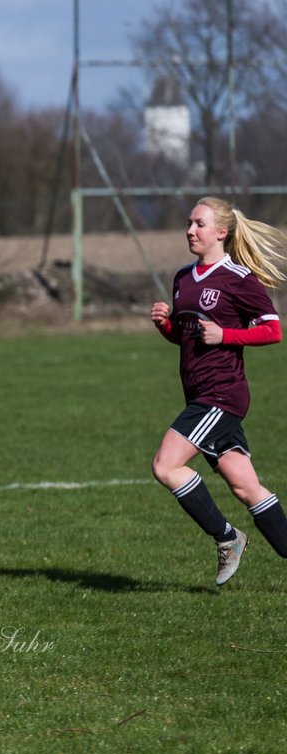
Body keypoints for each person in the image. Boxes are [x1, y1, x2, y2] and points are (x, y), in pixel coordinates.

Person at [150, 196, 287, 586]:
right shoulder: (182, 278)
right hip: (199, 394)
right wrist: (165, 325)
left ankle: (228, 538)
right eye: (189, 223)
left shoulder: (239, 279)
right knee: (246, 487)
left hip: (222, 394)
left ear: (221, 232)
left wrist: (226, 334)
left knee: (166, 465)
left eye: (199, 224)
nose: (190, 230)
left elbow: (272, 330)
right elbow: (188, 337)